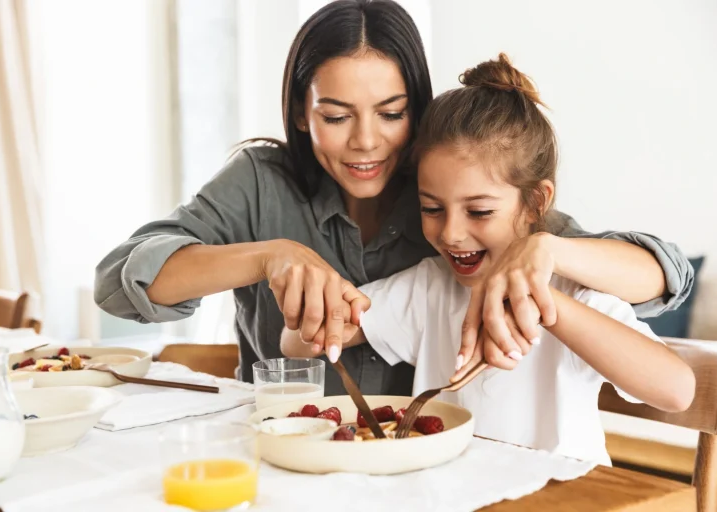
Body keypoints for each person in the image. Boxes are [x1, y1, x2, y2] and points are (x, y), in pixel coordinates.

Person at [94, 0, 693, 397]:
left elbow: (661, 277)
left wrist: (550, 252)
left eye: (391, 113)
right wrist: (268, 256)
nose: (365, 142)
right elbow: (121, 279)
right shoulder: (259, 180)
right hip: (281, 461)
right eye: (335, 115)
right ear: (302, 113)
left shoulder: (448, 190)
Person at [280, 53, 695, 464]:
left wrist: (547, 308)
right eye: (431, 208)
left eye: (479, 211)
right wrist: (320, 309)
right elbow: (296, 343)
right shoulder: (429, 287)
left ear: (536, 202)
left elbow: (676, 391)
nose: (450, 233)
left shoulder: (575, 293)